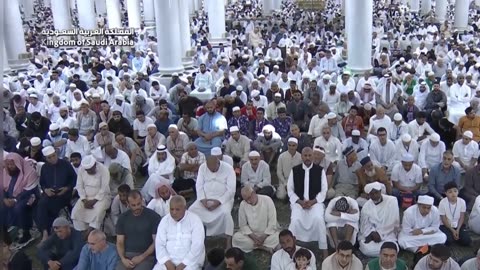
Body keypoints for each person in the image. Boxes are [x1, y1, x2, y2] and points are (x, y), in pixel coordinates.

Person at [287, 147, 328, 258]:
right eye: (305, 156)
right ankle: (290, 249)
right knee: (295, 221)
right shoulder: (295, 170)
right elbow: (290, 189)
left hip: (315, 203)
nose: (307, 158)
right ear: (301, 156)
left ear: (313, 156)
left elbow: (324, 190)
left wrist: (313, 202)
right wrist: (300, 202)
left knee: (319, 219)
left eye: (310, 155)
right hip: (299, 203)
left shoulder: (320, 170)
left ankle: (324, 250)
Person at [189, 156, 236, 248]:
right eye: (210, 169)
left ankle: (228, 242)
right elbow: (199, 186)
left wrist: (218, 202)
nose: (212, 172)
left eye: (214, 169)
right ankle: (194, 237)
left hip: (223, 200)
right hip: (205, 199)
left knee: (226, 214)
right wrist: (203, 200)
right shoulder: (203, 167)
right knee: (191, 210)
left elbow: (231, 190)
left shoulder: (228, 168)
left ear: (218, 163)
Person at [153, 195, 205, 270]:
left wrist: (184, 264)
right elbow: (159, 244)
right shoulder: (165, 221)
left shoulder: (195, 220)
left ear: (184, 208)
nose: (174, 212)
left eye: (177, 209)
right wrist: (167, 263)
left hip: (190, 263)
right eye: (172, 209)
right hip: (166, 263)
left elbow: (197, 246)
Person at [37, 146, 77, 242]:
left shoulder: (66, 164)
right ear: (46, 159)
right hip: (49, 193)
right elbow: (42, 182)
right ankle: (45, 232)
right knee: (40, 205)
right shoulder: (45, 167)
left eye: (53, 156)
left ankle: (50, 232)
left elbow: (74, 179)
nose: (52, 159)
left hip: (64, 194)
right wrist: (46, 190)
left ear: (56, 154)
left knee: (50, 206)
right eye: (49, 157)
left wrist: (66, 188)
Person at [116, 190, 160, 270]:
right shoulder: (122, 218)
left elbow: (156, 242)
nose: (137, 207)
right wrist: (123, 258)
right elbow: (119, 242)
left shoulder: (153, 217)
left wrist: (141, 257)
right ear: (128, 204)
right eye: (133, 205)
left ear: (142, 200)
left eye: (138, 204)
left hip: (146, 256)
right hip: (127, 256)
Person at [1, 152, 39, 247]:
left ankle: (26, 233)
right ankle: (7, 234)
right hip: (10, 198)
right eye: (8, 164)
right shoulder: (6, 172)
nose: (10, 166)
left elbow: (29, 190)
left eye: (12, 164)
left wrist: (14, 200)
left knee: (19, 208)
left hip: (29, 196)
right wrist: (5, 199)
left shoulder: (29, 172)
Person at [232, 186, 280, 253]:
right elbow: (243, 225)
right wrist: (253, 237)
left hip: (267, 234)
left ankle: (256, 246)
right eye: (246, 200)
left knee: (278, 237)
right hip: (252, 235)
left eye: (249, 198)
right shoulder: (243, 204)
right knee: (236, 238)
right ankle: (263, 247)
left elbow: (272, 222)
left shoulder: (267, 200)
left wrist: (263, 237)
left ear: (254, 193)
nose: (248, 201)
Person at [359, 182, 400, 257]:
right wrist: (372, 232)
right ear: (368, 195)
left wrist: (380, 234)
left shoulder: (392, 201)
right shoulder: (366, 206)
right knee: (366, 249)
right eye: (372, 194)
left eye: (376, 192)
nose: (375, 195)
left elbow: (394, 221)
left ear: (380, 191)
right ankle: (385, 253)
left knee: (393, 247)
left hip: (389, 234)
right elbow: (364, 225)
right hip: (373, 236)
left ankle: (385, 252)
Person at [71, 155, 111, 232]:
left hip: (102, 197)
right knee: (76, 212)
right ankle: (82, 232)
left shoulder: (103, 169)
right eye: (87, 170)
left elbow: (104, 188)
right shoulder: (81, 170)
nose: (89, 172)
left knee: (98, 212)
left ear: (95, 165)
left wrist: (94, 201)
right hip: (85, 198)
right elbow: (79, 186)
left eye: (90, 169)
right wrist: (84, 200)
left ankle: (92, 233)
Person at [438, 182, 471, 246]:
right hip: (446, 226)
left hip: (458, 225)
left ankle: (457, 237)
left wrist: (458, 230)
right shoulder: (442, 202)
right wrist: (453, 230)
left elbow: (462, 217)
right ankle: (454, 237)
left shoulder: (462, 201)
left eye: (455, 191)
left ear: (458, 192)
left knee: (467, 241)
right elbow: (443, 219)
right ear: (446, 193)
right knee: (448, 240)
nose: (453, 193)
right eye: (450, 192)